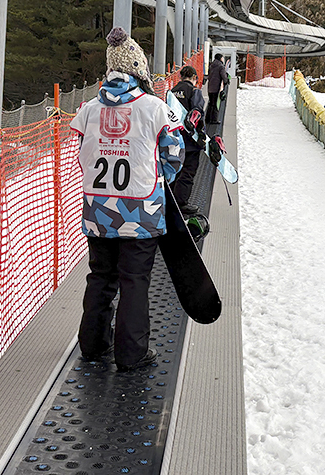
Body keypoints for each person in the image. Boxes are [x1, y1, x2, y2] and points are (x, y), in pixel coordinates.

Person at [70, 26, 184, 372]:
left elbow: (81, 155)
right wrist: (155, 178)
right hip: (142, 210)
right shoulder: (154, 107)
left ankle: (92, 346)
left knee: (100, 277)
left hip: (98, 211)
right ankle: (131, 354)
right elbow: (174, 156)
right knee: (135, 281)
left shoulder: (88, 109)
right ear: (139, 69)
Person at [170, 65, 205, 215]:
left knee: (174, 172)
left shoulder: (170, 93)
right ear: (194, 78)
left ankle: (169, 200)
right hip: (190, 142)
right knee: (187, 173)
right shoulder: (194, 91)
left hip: (173, 139)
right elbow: (198, 112)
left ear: (180, 77)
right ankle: (181, 203)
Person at [206, 53, 229, 124]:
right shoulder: (220, 66)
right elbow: (223, 76)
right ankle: (214, 119)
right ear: (220, 58)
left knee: (210, 103)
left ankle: (207, 118)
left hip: (210, 86)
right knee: (215, 103)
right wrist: (226, 81)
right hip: (216, 87)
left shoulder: (211, 65)